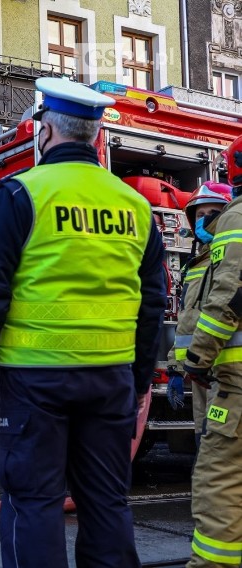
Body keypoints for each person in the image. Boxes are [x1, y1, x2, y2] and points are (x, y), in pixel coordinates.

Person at [0, 77, 166, 568]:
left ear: (45, 132)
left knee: (34, 501)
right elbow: (152, 300)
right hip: (111, 379)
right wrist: (137, 379)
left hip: (34, 380)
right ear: (93, 136)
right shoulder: (134, 206)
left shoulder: (21, 194)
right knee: (107, 501)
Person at [182, 136, 242, 567]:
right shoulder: (195, 261)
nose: (206, 222)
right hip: (216, 378)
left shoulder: (236, 223)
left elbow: (228, 298)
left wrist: (197, 359)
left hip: (229, 381)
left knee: (217, 480)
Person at [166, 182, 231, 449]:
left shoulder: (231, 259)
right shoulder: (196, 265)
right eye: (200, 215)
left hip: (227, 376)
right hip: (202, 377)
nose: (205, 221)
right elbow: (188, 321)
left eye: (213, 213)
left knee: (222, 460)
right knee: (204, 458)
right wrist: (174, 367)